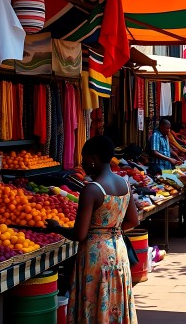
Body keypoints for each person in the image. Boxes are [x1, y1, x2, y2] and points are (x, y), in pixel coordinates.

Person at [58, 136, 139, 323]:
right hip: (119, 250)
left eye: (84, 157)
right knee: (114, 300)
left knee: (93, 301)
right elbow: (133, 220)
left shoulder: (92, 190)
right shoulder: (125, 184)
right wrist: (112, 230)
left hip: (96, 254)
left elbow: (79, 234)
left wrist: (58, 228)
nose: (82, 162)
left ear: (94, 158)